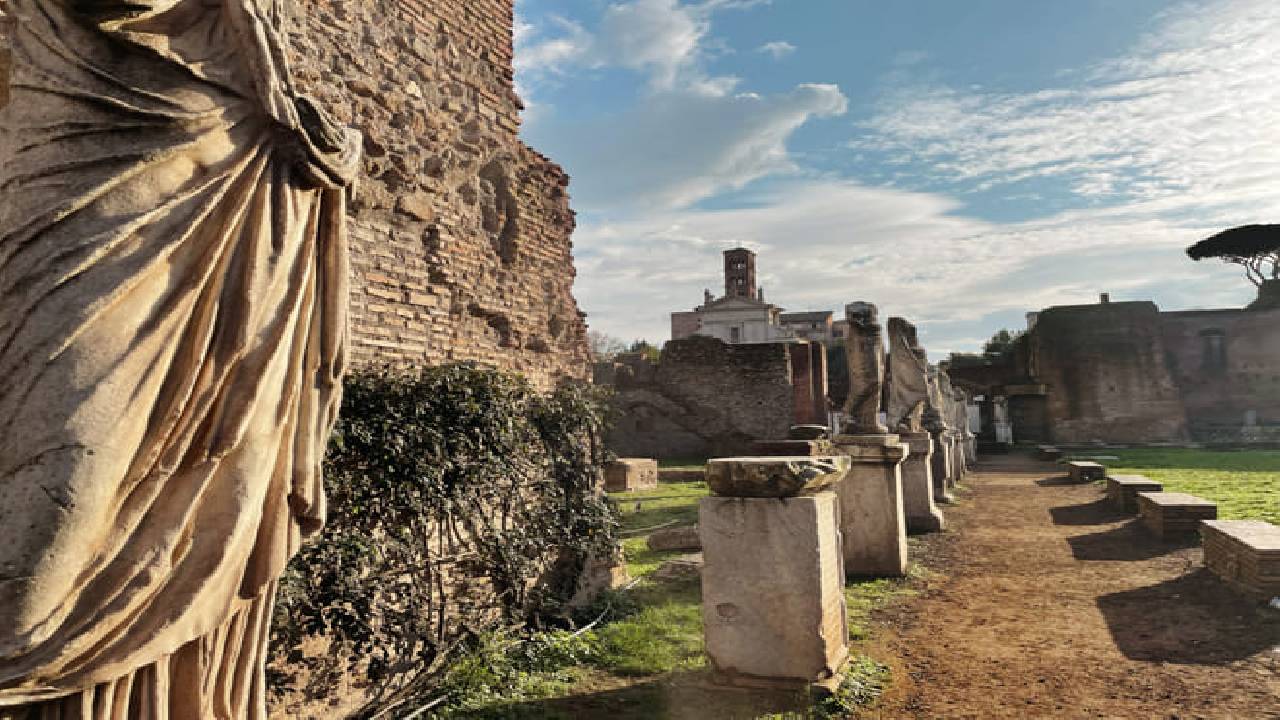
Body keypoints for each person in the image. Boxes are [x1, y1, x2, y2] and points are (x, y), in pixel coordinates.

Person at [0, 1, 359, 717]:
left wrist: (324, 147)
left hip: (238, 235)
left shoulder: (243, 35)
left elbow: (285, 113)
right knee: (39, 554)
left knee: (220, 493)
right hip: (64, 225)